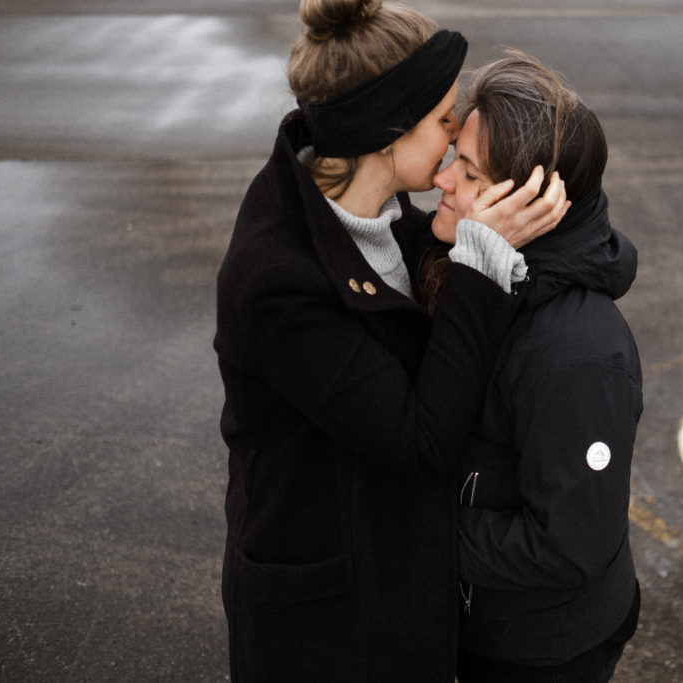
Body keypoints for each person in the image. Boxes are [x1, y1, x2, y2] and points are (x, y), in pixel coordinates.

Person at [213, 1, 569, 680]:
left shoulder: (372, 213)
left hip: (385, 575)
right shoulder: (277, 283)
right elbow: (420, 439)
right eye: (443, 119)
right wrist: (483, 256)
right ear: (387, 133)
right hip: (325, 621)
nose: (457, 132)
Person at [426, 51, 643, 682]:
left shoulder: (578, 356)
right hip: (476, 623)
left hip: (538, 651)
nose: (441, 181)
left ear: (527, 201)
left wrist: (416, 530)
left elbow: (568, 545)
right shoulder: (477, 267)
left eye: (466, 172)